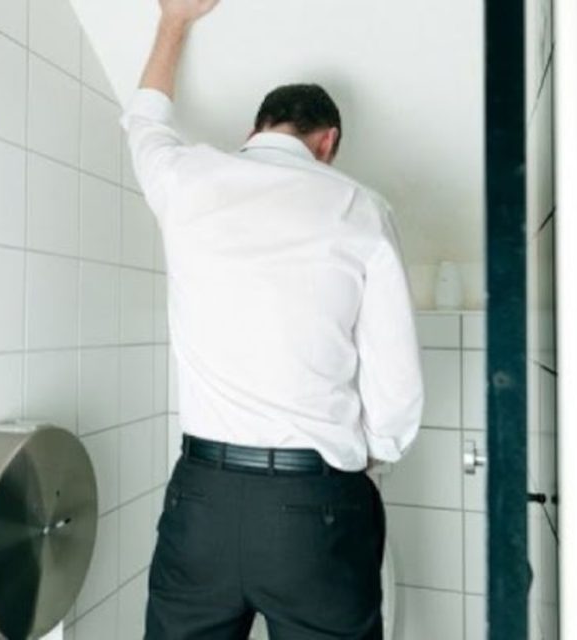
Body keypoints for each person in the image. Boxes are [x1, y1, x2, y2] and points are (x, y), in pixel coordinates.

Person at [119, 1, 425, 638]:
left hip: (200, 501)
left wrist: (174, 20)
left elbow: (144, 119)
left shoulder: (188, 179)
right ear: (327, 142)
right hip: (314, 506)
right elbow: (394, 385)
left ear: (256, 128)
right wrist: (368, 458)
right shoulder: (359, 208)